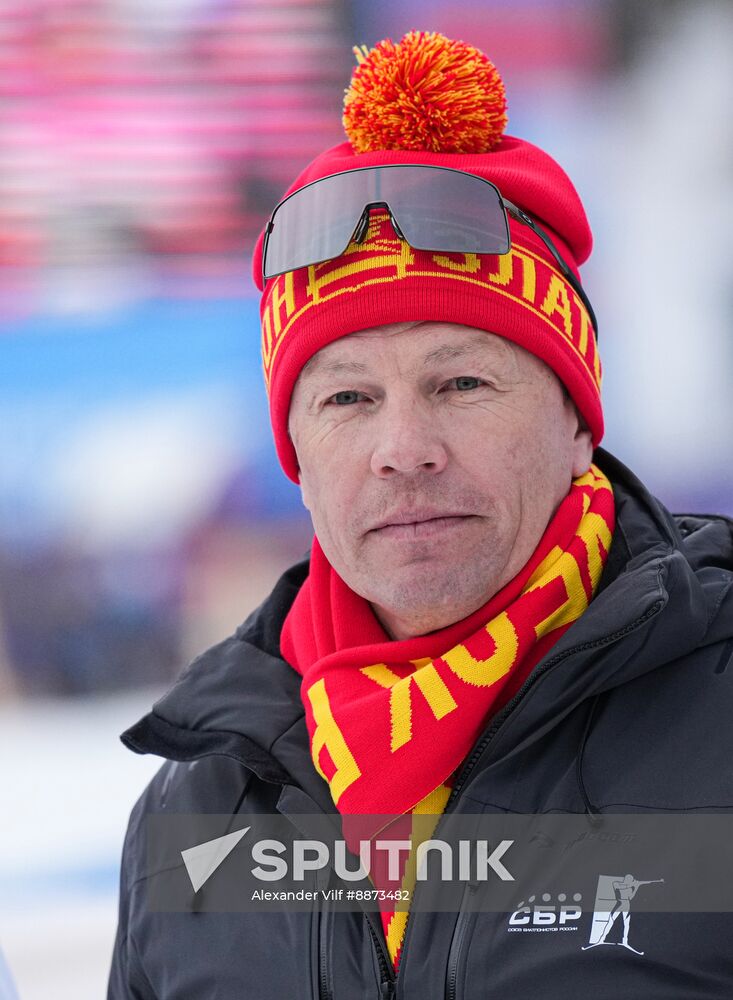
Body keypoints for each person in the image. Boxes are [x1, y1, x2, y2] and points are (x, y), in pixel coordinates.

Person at [108, 30, 733, 999]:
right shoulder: (197, 806)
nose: (404, 447)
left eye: (461, 382)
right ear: (299, 457)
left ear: (576, 420)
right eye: (348, 398)